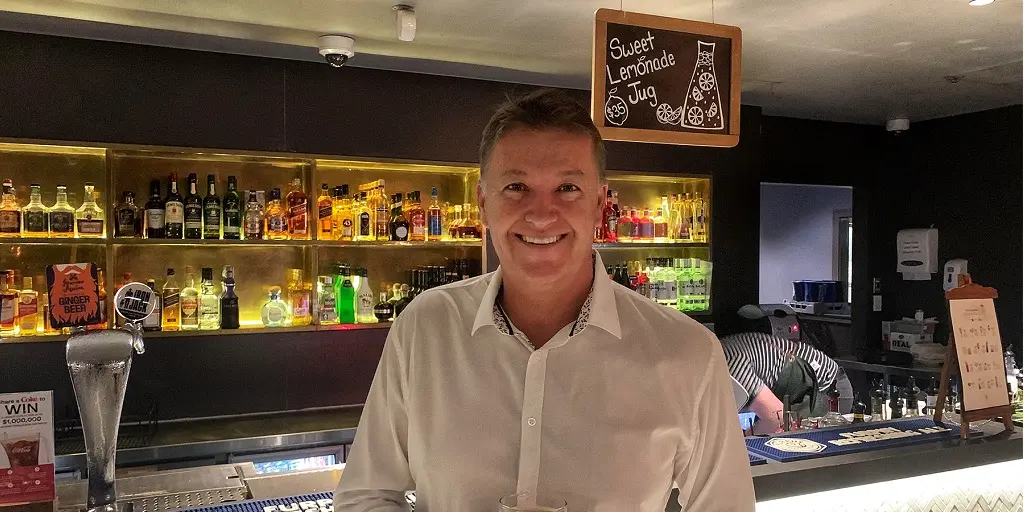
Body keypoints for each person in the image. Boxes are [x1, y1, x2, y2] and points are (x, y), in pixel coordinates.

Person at [334, 89, 755, 511]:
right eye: (516, 187)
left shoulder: (687, 352)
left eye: (567, 188)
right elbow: (366, 496)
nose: (540, 214)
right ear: (483, 203)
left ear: (599, 205)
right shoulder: (425, 328)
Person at [719, 330, 853, 435]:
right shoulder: (719, 353)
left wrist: (745, 438)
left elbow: (777, 419)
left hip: (827, 390)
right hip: (796, 395)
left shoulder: (730, 366)